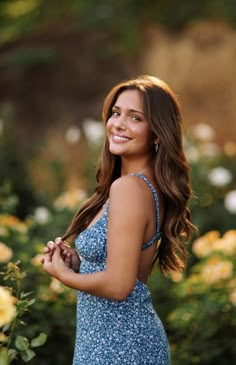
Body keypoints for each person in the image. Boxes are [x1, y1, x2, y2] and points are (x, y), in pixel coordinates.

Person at [42, 75, 197, 364]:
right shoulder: (141, 186)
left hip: (120, 346)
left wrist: (65, 276)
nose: (119, 124)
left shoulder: (129, 188)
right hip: (112, 341)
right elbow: (126, 270)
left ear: (158, 133)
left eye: (135, 117)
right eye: (116, 113)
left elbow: (119, 285)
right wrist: (82, 264)